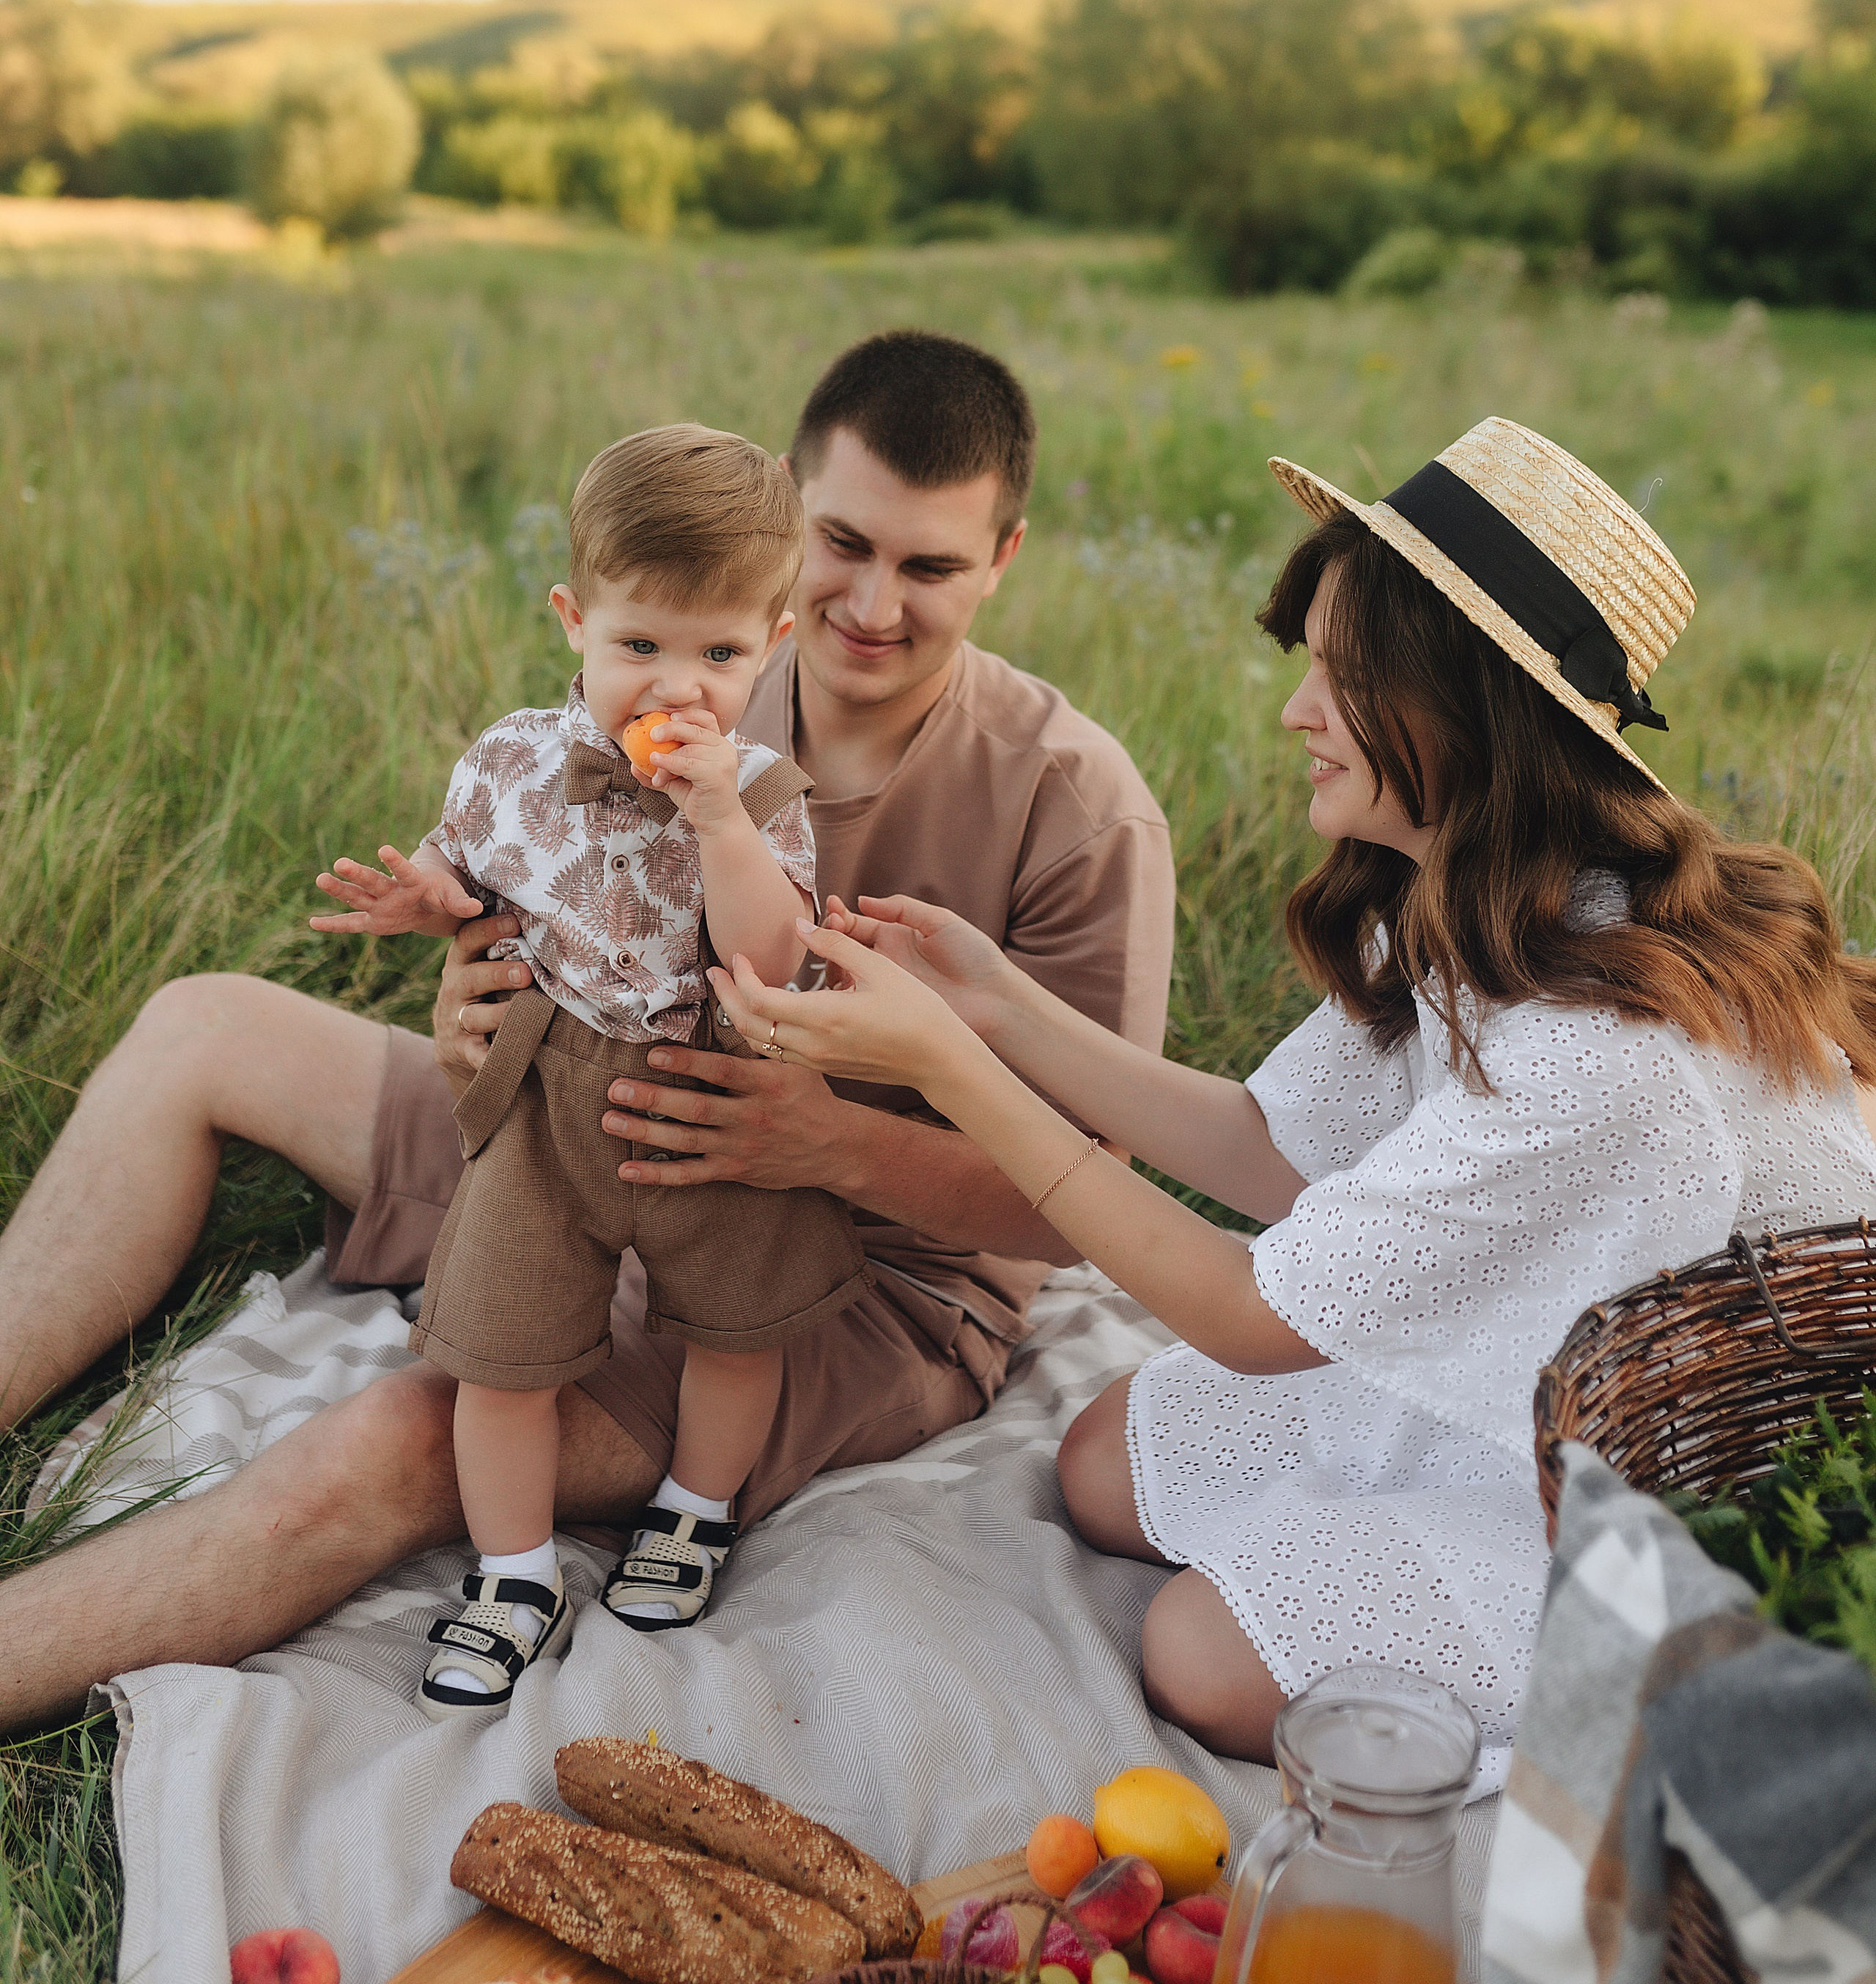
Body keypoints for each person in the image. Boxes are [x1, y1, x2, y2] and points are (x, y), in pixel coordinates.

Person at [0, 330, 1175, 1736]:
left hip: (857, 1275)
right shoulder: (686, 657)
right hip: (566, 1123)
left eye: (930, 566)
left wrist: (832, 1143)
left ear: (1004, 558)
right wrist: (469, 1006)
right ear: (792, 531)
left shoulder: (1076, 804)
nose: (874, 603)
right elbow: (526, 895)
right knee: (202, 1023)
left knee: (406, 1434)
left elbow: (1090, 1207)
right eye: (843, 546)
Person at [705, 415, 1876, 1764]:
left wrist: (947, 1068)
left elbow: (1255, 1316)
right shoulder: (1472, 896)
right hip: (1532, 1352)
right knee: (1099, 1461)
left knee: (1199, 1657)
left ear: (1462, 709)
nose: (1295, 711)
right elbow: (1271, 1147)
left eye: (1339, 678)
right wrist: (1000, 1006)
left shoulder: (1594, 1045)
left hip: (1664, 1479)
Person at [310, 424, 869, 1715]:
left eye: (720, 653)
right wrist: (425, 899)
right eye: (640, 645)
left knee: (736, 1332)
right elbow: (469, 871)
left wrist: (720, 817)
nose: (677, 684)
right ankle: (513, 1573)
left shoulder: (769, 792)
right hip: (548, 1097)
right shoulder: (511, 759)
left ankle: (692, 1511)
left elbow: (774, 958)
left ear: (773, 643)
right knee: (499, 1352)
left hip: (707, 1095)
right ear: (576, 620)